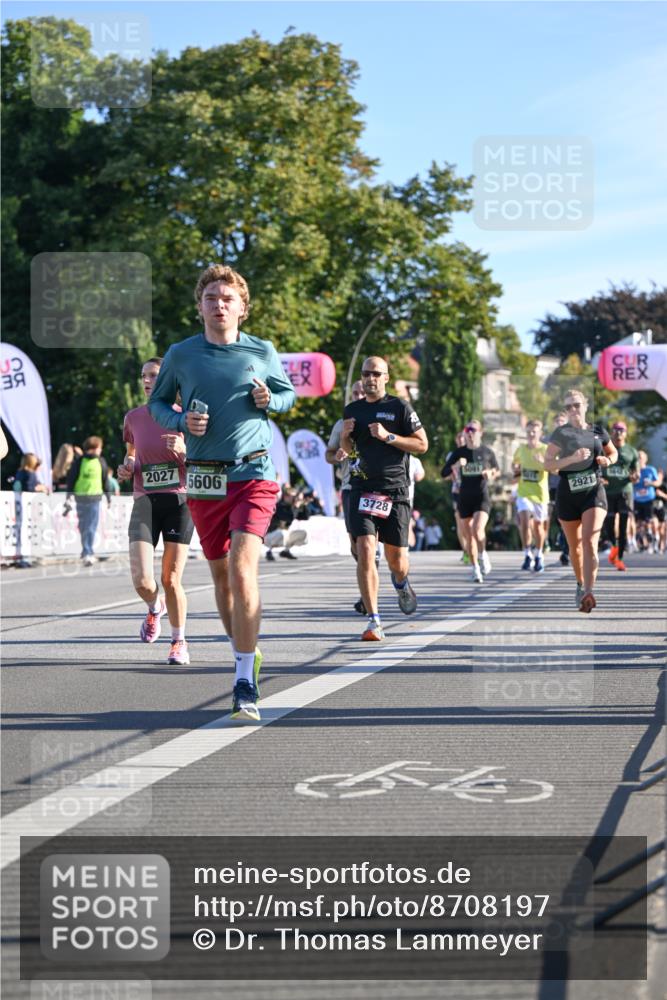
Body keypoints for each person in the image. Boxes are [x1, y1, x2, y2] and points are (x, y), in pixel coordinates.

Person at [148, 264, 296, 722]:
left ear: (242, 308)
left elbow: (287, 395)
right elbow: (157, 403)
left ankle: (243, 680)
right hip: (204, 477)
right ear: (200, 306)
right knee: (220, 577)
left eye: (228, 298)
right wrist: (180, 422)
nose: (219, 305)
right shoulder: (181, 354)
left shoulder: (262, 351)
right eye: (211, 297)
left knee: (241, 567)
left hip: (253, 471)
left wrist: (271, 401)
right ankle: (245, 653)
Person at [338, 356, 428, 641]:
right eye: (366, 373)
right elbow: (349, 451)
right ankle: (374, 619)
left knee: (396, 560)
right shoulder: (352, 409)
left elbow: (422, 444)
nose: (370, 378)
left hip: (395, 491)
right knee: (365, 550)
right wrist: (344, 437)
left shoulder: (399, 407)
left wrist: (389, 437)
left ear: (386, 377)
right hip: (363, 488)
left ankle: (401, 583)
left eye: (376, 373)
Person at [117, 357, 194, 665]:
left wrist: (185, 453)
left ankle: (179, 641)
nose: (147, 381)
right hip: (145, 501)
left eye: (154, 376)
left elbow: (202, 465)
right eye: (144, 376)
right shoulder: (133, 418)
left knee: (172, 578)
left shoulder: (185, 418)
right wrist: (127, 468)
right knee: (142, 580)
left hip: (179, 502)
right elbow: (132, 455)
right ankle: (154, 607)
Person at [543, 389, 617, 613]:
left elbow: (613, 454)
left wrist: (607, 460)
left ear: (585, 405)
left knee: (589, 541)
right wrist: (572, 459)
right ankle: (580, 584)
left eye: (576, 405)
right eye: (568, 407)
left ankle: (589, 591)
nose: (573, 410)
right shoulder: (561, 433)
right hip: (568, 495)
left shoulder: (598, 430)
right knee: (575, 549)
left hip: (593, 492)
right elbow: (548, 464)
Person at [326, 379, 370, 614]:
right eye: (355, 392)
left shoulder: (381, 421)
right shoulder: (341, 424)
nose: (359, 395)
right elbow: (328, 455)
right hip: (349, 486)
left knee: (369, 542)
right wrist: (338, 456)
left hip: (376, 486)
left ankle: (368, 594)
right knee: (356, 543)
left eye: (362, 392)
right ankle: (368, 577)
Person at [441, 420, 500, 584]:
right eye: (467, 430)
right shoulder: (459, 452)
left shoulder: (487, 452)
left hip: (481, 496)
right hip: (464, 497)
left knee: (477, 529)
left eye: (473, 430)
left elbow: (497, 469)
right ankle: (475, 569)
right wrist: (455, 465)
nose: (470, 433)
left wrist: (490, 473)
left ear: (480, 432)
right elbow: (443, 473)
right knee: (469, 535)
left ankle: (483, 555)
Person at [65, 436, 112, 566]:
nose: (100, 450)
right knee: (83, 526)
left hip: (94, 499)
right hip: (80, 498)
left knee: (91, 526)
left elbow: (105, 481)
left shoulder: (101, 461)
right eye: (99, 448)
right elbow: (71, 480)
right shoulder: (79, 462)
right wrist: (68, 496)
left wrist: (108, 497)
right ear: (93, 448)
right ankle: (86, 550)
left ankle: (87, 552)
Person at [601, 421, 639, 572]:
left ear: (626, 433)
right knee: (609, 525)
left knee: (623, 527)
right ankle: (614, 548)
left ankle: (620, 559)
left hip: (625, 491)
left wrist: (635, 477)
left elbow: (636, 472)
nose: (618, 433)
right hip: (608, 492)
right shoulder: (605, 449)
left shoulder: (631, 451)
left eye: (621, 430)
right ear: (611, 432)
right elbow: (597, 467)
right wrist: (600, 479)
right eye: (615, 430)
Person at [512, 419, 549, 573]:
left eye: (534, 431)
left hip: (540, 494)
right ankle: (527, 553)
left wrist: (543, 463)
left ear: (540, 433)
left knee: (538, 527)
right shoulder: (520, 449)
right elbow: (514, 466)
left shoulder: (546, 449)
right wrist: (515, 468)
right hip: (524, 492)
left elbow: (556, 469)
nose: (531, 434)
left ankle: (539, 554)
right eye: (528, 432)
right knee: (525, 521)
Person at [546, 412, 569, 565]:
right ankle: (550, 539)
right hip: (551, 485)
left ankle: (566, 549)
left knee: (566, 516)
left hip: (567, 482)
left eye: (562, 421)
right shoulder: (547, 440)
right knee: (552, 515)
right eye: (557, 422)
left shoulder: (572, 440)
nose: (559, 424)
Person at [264, 486, 309, 560]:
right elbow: (288, 518)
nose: (294, 498)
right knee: (282, 533)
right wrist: (296, 507)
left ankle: (286, 551)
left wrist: (304, 505)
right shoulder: (279, 506)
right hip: (269, 536)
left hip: (282, 535)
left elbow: (305, 517)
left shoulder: (291, 507)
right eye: (292, 496)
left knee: (303, 534)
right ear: (285, 497)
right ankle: (269, 551)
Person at [633, 451, 662, 553]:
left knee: (649, 522)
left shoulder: (650, 470)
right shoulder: (633, 470)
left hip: (648, 500)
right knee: (639, 523)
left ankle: (654, 540)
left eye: (641, 457)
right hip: (637, 500)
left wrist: (650, 483)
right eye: (637, 458)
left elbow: (658, 482)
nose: (639, 459)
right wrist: (634, 480)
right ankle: (644, 545)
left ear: (645, 459)